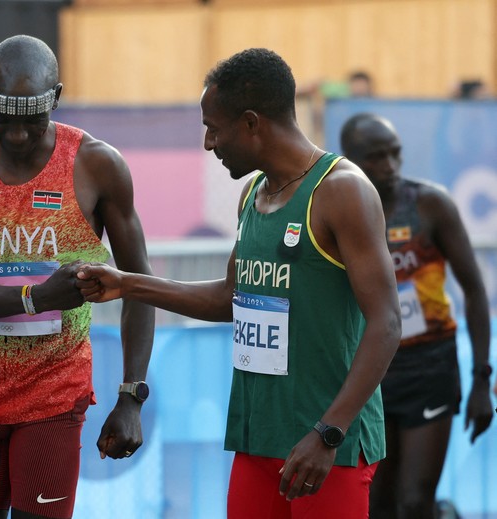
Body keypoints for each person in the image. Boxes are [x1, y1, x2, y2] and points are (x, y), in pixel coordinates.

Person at [78, 48, 401, 518]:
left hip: (327, 447)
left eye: (214, 127)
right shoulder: (253, 194)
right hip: (259, 439)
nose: (209, 143)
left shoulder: (342, 190)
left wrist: (329, 432)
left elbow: (386, 323)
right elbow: (230, 297)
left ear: (251, 123)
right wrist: (128, 284)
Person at [0, 35, 155, 519]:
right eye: (2, 118)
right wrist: (38, 297)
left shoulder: (96, 164)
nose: (15, 135)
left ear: (55, 98)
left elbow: (140, 286)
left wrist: (132, 395)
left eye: (30, 118)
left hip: (53, 394)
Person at [340, 113, 494, 519]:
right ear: (351, 159)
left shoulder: (430, 205)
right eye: (376, 157)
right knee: (378, 504)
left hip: (430, 367)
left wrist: (482, 378)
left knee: (415, 501)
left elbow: (476, 292)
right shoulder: (339, 213)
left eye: (395, 154)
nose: (390, 166)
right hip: (370, 370)